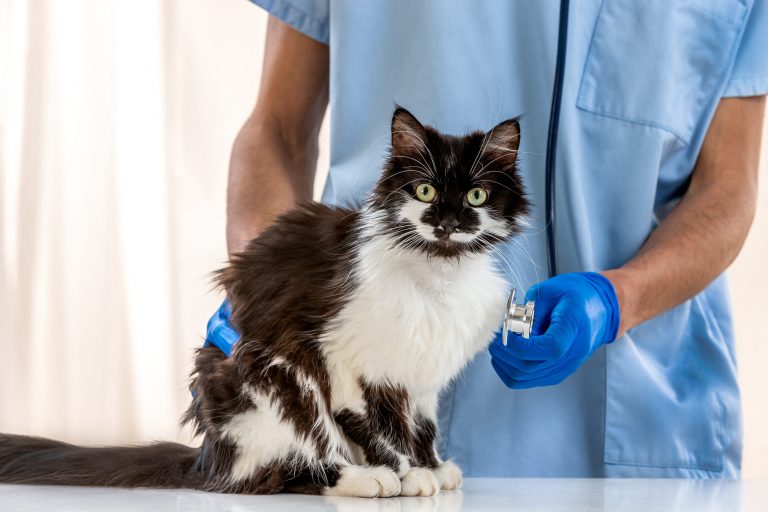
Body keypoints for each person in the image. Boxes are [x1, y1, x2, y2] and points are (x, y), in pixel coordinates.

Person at [218, 0, 767, 478]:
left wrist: (616, 300)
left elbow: (726, 188)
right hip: (363, 402)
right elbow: (279, 131)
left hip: (643, 427)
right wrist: (264, 288)